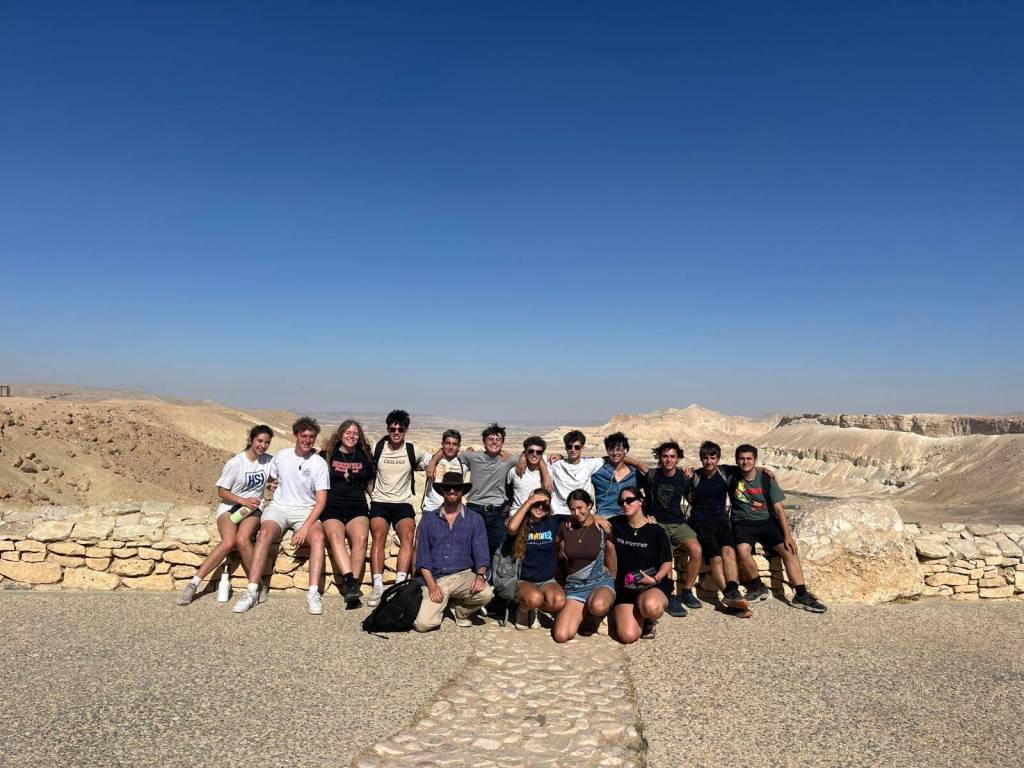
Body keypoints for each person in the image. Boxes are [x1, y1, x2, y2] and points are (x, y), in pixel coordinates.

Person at [233, 416, 330, 615]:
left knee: (319, 537)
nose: (308, 440)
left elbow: (321, 501)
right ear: (296, 435)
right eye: (304, 435)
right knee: (264, 534)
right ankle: (252, 590)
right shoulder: (282, 456)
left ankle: (313, 593)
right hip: (279, 507)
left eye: (312, 436)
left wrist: (304, 528)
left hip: (306, 510)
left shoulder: (319, 463)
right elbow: (268, 476)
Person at [427, 423, 521, 622]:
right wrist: (434, 461)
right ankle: (468, 597)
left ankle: (495, 600)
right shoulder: (472, 456)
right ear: (484, 442)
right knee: (470, 551)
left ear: (503, 443)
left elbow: (530, 458)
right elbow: (448, 451)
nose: (494, 442)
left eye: (498, 439)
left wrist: (544, 472)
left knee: (501, 554)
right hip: (474, 509)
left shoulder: (508, 459)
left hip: (495, 514)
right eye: (490, 439)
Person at [177, 424, 274, 606]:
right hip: (230, 507)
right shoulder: (236, 463)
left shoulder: (268, 461)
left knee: (243, 539)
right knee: (228, 542)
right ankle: (193, 584)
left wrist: (274, 485)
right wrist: (242, 500)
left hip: (253, 509)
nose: (263, 445)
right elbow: (222, 491)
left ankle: (257, 584)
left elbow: (276, 476)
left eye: (267, 442)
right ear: (251, 440)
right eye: (260, 441)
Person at [730, 444, 827, 612]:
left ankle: (801, 594)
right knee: (742, 550)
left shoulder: (766, 479)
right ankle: (757, 585)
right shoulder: (731, 475)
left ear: (755, 460)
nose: (745, 462)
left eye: (749, 459)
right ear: (736, 460)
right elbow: (709, 467)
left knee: (789, 551)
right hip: (743, 523)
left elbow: (779, 509)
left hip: (767, 521)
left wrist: (788, 536)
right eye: (741, 459)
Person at [413, 472, 493, 631]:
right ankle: (443, 603)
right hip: (436, 578)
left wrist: (480, 575)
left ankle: (461, 611)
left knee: (486, 593)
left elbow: (482, 553)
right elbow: (423, 558)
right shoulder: (428, 520)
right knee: (423, 625)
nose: (452, 491)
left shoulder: (475, 519)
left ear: (462, 491)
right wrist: (432, 586)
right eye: (448, 488)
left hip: (462, 575)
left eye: (456, 488)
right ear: (442, 491)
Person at [367, 409, 430, 607]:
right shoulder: (378, 447)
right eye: (393, 428)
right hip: (380, 502)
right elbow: (366, 469)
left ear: (406, 430)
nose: (396, 432)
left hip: (403, 502)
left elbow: (434, 459)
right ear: (387, 428)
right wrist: (372, 494)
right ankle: (378, 586)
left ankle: (400, 584)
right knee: (378, 535)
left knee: (408, 537)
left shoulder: (413, 450)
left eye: (400, 429)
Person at [686, 441, 750, 613]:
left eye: (712, 458)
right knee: (716, 559)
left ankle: (732, 591)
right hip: (702, 525)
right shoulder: (694, 476)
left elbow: (748, 468)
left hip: (722, 523)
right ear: (701, 459)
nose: (709, 461)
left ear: (718, 458)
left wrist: (766, 471)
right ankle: (729, 596)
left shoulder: (724, 472)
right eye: (705, 458)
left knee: (729, 552)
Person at [644, 441, 703, 616]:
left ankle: (687, 591)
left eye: (672, 456)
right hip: (658, 524)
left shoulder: (684, 477)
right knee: (666, 556)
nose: (668, 460)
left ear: (678, 459)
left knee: (697, 550)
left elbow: (711, 470)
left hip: (678, 523)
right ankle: (670, 595)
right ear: (659, 458)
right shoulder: (652, 476)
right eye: (665, 456)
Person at [319, 419, 373, 608]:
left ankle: (352, 586)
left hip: (357, 505)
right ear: (341, 434)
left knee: (360, 538)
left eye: (355, 434)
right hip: (332, 505)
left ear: (359, 437)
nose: (351, 436)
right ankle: (351, 584)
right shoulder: (327, 455)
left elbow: (369, 485)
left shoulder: (365, 457)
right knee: (335, 536)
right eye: (348, 433)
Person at [609, 487, 673, 643]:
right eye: (621, 502)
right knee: (628, 636)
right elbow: (593, 519)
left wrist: (655, 579)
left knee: (651, 607)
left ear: (640, 502)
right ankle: (637, 612)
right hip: (626, 586)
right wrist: (595, 518)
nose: (625, 504)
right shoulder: (616, 524)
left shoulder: (656, 530)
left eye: (629, 500)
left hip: (651, 584)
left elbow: (667, 563)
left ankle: (649, 618)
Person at [553, 489, 617, 643]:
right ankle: (585, 610)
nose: (576, 512)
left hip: (599, 581)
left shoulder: (602, 527)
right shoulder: (565, 527)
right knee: (561, 635)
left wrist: (613, 578)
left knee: (599, 606)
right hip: (576, 586)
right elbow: (557, 549)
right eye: (572, 509)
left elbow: (611, 552)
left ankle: (598, 615)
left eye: (580, 508)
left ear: (589, 505)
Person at [505, 489, 566, 630]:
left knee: (559, 602)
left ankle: (535, 608)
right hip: (524, 579)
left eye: (544, 505)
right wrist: (529, 501)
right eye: (537, 503)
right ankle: (524, 608)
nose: (540, 508)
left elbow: (579, 517)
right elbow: (511, 528)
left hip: (546, 580)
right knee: (535, 598)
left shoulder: (552, 522)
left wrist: (596, 518)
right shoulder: (521, 522)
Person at [546, 430, 608, 517]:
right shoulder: (556, 465)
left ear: (582, 448)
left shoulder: (589, 464)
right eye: (569, 446)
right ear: (566, 448)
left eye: (577, 447)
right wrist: (522, 457)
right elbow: (535, 455)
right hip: (560, 514)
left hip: (582, 514)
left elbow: (612, 457)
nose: (573, 450)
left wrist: (635, 463)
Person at [591, 432, 643, 518]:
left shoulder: (635, 474)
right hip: (604, 517)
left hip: (628, 517)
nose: (615, 453)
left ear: (625, 450)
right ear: (607, 451)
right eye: (611, 449)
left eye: (618, 449)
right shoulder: (598, 472)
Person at [420, 429, 469, 514]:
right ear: (442, 444)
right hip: (431, 509)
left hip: (455, 512)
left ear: (459, 446)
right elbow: (412, 465)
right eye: (447, 443)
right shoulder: (430, 459)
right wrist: (433, 461)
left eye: (454, 444)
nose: (451, 447)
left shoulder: (464, 462)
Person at [506, 435, 554, 510]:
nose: (534, 454)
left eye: (538, 452)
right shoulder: (514, 471)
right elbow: (508, 490)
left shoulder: (549, 473)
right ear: (525, 452)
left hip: (538, 514)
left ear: (542, 454)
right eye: (531, 451)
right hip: (517, 513)